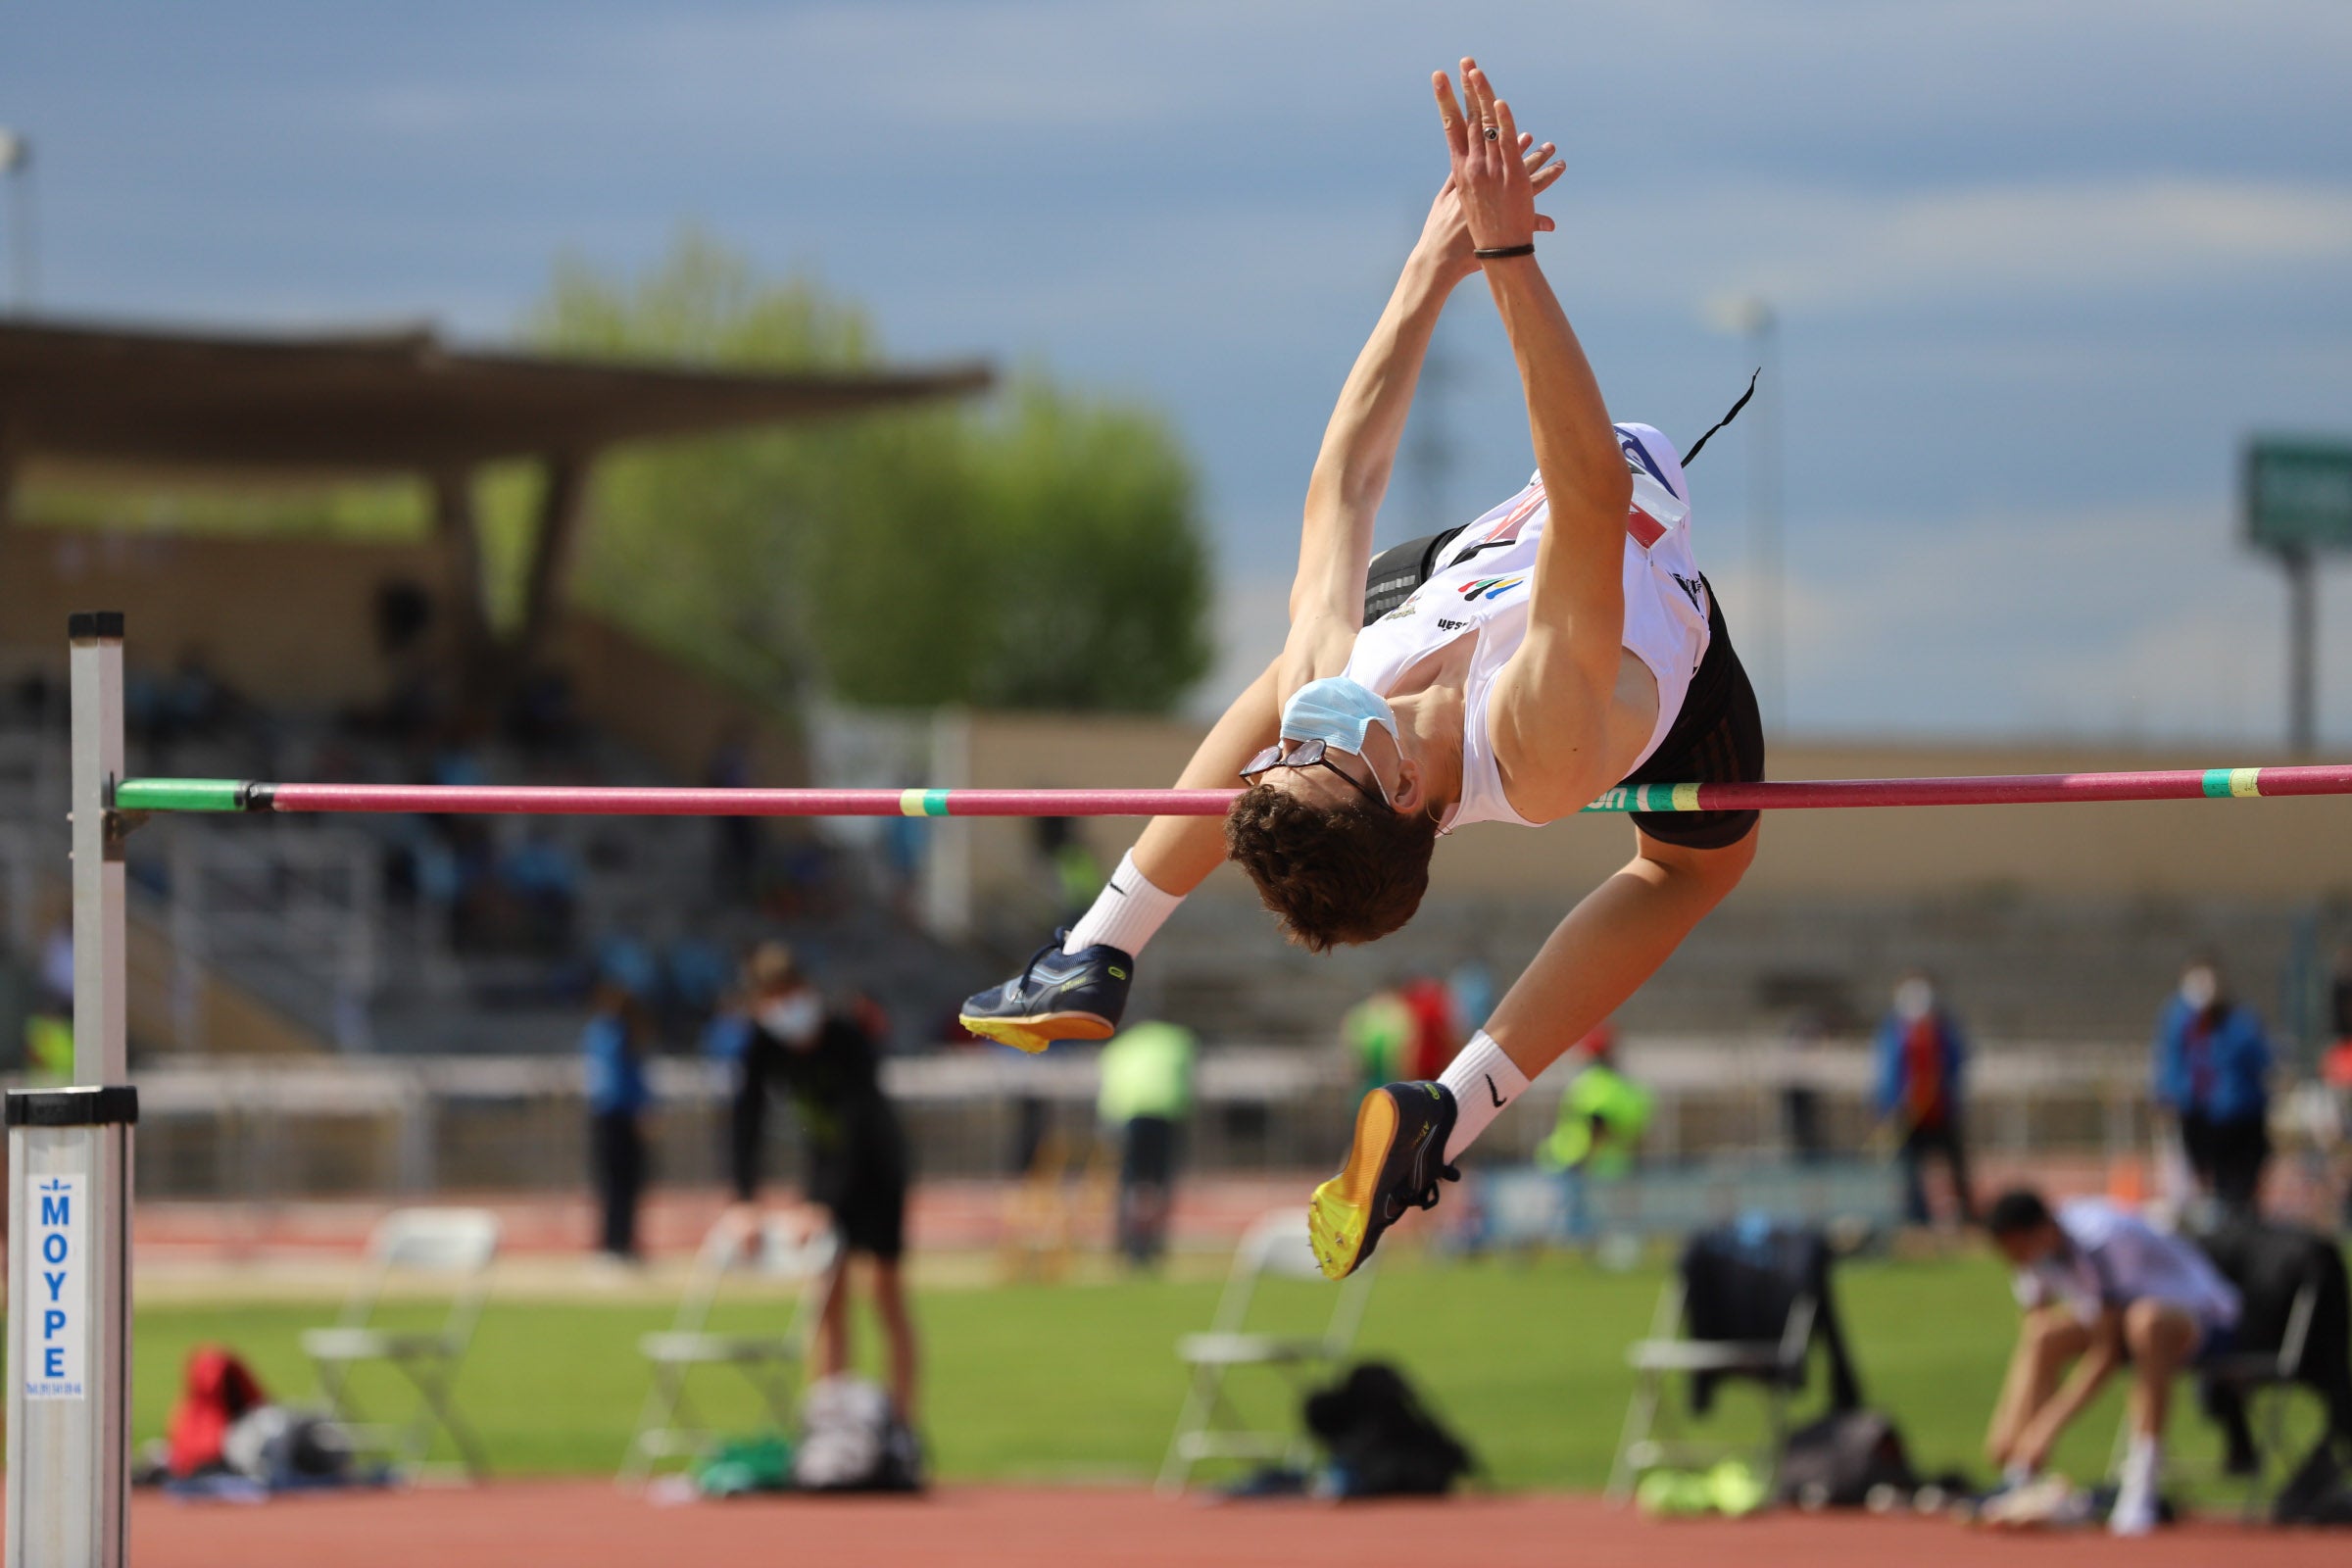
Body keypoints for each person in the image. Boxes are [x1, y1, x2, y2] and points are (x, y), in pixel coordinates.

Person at [959, 62, 1764, 1280]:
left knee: (1295, 660)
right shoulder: (1542, 745)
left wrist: (1429, 260)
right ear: (1399, 796)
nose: (1299, 734)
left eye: (1280, 760)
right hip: (1637, 600)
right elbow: (1594, 492)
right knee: (1692, 867)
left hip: (1466, 567)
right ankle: (1454, 1104)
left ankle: (1101, 946)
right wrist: (1506, 261)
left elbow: (1342, 481)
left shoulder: (1338, 690)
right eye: (1314, 758)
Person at [730, 944, 921, 1441]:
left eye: (790, 995)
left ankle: (902, 1423)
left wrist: (825, 1206)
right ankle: (828, 1420)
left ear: (806, 991)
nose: (784, 1010)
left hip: (877, 1170)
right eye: (772, 1000)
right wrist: (744, 1200)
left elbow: (860, 1125)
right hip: (824, 1168)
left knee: (884, 1293)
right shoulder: (761, 1044)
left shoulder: (846, 1038)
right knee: (826, 1295)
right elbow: (744, 1121)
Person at [1983, 1188, 2241, 1537]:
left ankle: (2142, 1485)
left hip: (2205, 1319)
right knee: (2046, 1336)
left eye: (2016, 1251)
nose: (2014, 1262)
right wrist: (2011, 1436)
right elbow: (2036, 1330)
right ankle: (2020, 1477)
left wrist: (2044, 1429)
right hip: (2121, 1324)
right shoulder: (2031, 1255)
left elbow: (2107, 1354)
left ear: (2038, 1232)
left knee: (2144, 1322)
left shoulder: (2102, 1240)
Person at [2153, 956, 2273, 1216]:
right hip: (2200, 1113)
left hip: (2239, 1114)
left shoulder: (2240, 1021)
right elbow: (2170, 1061)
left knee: (2239, 1181)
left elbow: (2259, 1060)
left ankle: (2238, 1217)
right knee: (2203, 1177)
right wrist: (2169, 1094)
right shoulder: (2180, 1020)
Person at [1095, 1019, 1199, 1267]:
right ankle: (1154, 1240)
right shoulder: (1179, 1041)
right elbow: (1187, 1082)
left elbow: (1110, 1087)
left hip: (1129, 1116)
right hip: (1165, 1114)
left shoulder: (1119, 1046)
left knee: (1131, 1182)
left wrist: (1108, 1127)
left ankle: (1127, 1240)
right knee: (1160, 1183)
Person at [1875, 971, 1976, 1227]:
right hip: (1908, 1113)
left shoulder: (1944, 1031)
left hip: (1940, 1110)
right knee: (1910, 1168)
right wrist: (1889, 1107)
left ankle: (1966, 1215)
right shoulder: (1893, 1033)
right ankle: (1916, 1217)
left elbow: (1957, 1063)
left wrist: (1947, 1091)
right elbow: (1887, 1072)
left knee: (1955, 1165)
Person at [580, 981, 652, 1263]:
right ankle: (616, 1243)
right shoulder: (618, 1034)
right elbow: (624, 1082)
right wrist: (640, 1110)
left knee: (616, 1185)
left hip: (606, 1115)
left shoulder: (599, 1032)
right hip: (617, 1116)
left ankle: (617, 1242)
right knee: (619, 1184)